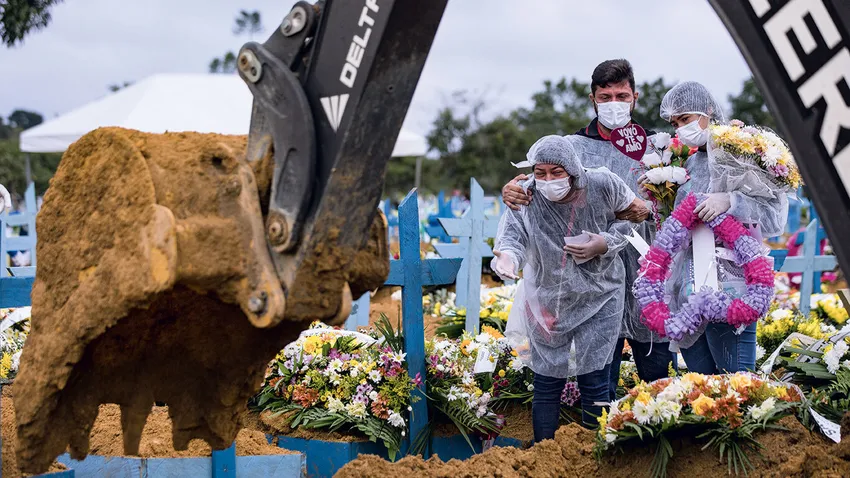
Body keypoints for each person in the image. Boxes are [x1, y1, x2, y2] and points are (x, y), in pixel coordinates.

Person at [501, 59, 676, 400]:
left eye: (622, 96)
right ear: (593, 99)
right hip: (592, 278)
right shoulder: (572, 147)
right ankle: (599, 433)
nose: (614, 104)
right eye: (605, 97)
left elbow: (675, 203)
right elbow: (541, 184)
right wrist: (513, 190)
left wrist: (650, 210)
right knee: (600, 380)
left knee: (659, 377)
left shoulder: (658, 147)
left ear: (635, 97)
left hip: (649, 269)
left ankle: (659, 431)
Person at [491, 134, 639, 442]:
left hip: (601, 296)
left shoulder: (602, 184)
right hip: (549, 298)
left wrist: (604, 242)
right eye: (540, 172)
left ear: (572, 170)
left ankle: (595, 450)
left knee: (595, 380)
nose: (548, 180)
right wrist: (508, 257)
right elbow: (513, 235)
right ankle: (544, 453)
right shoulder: (526, 195)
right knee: (547, 382)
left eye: (556, 172)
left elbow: (633, 216)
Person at [649, 81, 788, 374]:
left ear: (708, 110)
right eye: (675, 123)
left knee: (736, 384)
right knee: (702, 387)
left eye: (685, 119)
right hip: (689, 289)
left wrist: (731, 201)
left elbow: (774, 217)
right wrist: (659, 200)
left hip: (731, 288)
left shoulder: (740, 154)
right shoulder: (688, 164)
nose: (680, 129)